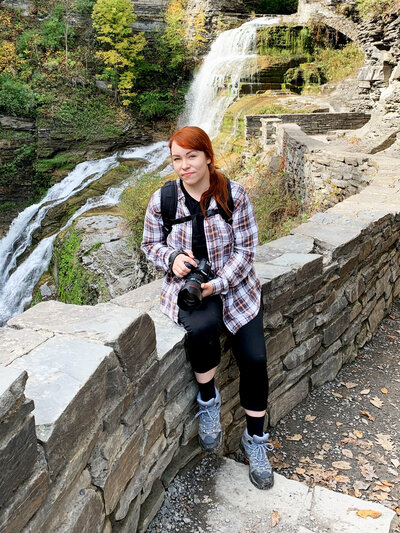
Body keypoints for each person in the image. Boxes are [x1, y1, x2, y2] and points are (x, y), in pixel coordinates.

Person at [141, 126, 274, 490]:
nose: (184, 166)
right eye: (177, 159)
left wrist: (217, 284)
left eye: (191, 157)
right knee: (200, 331)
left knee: (255, 359)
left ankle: (255, 439)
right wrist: (172, 259)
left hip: (238, 289)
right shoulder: (163, 200)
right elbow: (150, 245)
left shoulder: (234, 195)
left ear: (208, 156)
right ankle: (208, 399)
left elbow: (246, 252)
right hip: (191, 290)